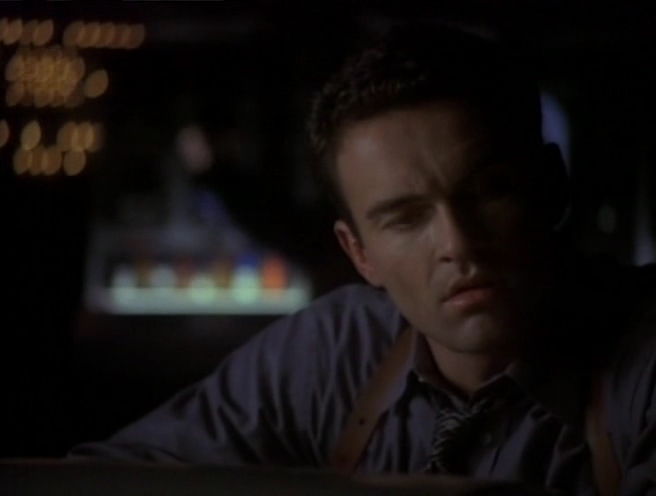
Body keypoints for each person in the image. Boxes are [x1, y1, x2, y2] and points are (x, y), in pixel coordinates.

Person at [68, 23, 656, 495]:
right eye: (406, 218)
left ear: (551, 187)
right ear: (360, 254)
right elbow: (104, 479)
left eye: (488, 192)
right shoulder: (335, 351)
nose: (457, 243)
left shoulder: (641, 356)